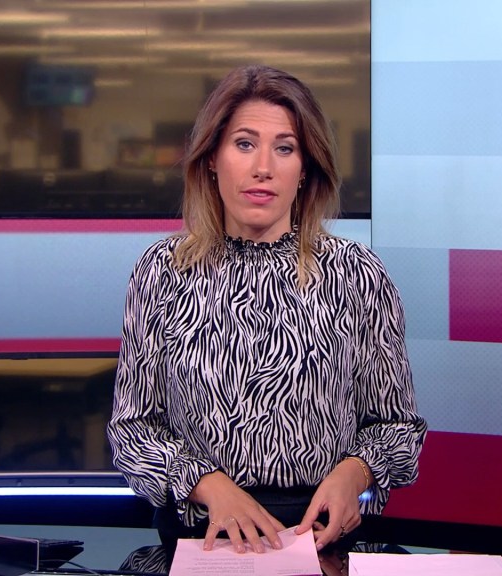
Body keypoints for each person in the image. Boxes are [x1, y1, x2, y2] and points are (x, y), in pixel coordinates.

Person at [107, 64, 427, 559]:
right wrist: (209, 485)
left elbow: (397, 427)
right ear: (211, 160)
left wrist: (355, 473)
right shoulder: (162, 271)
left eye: (284, 148)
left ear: (305, 169)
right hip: (203, 542)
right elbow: (132, 429)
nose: (263, 167)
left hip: (323, 540)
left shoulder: (357, 274)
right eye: (244, 144)